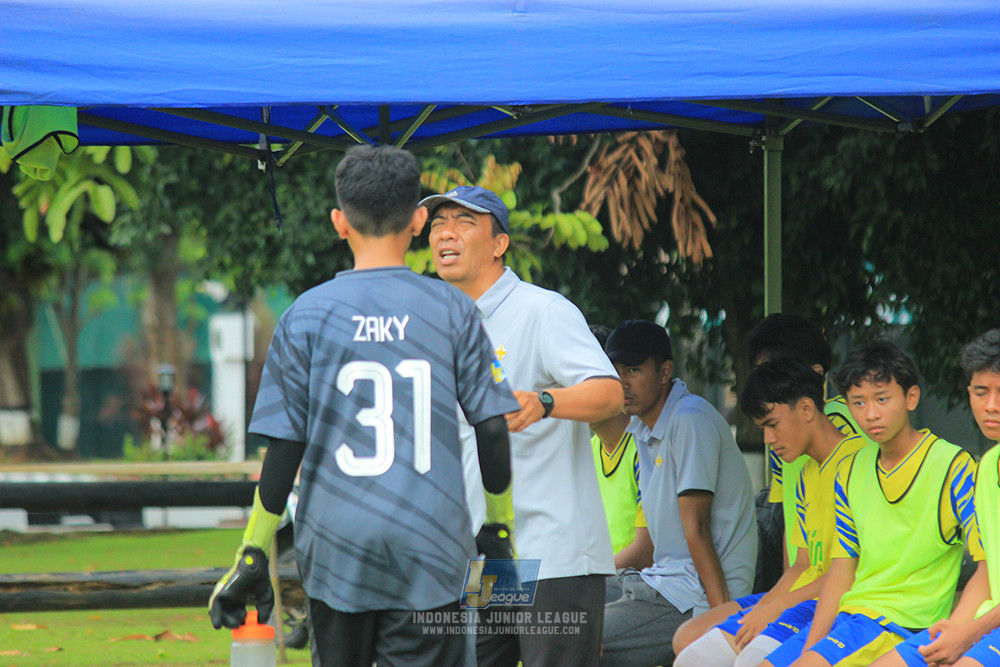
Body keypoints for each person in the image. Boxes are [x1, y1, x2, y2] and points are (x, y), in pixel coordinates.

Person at [207, 146, 521, 667]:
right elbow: (491, 428)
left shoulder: (305, 316)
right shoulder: (453, 311)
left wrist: (254, 550)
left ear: (338, 222)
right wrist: (499, 529)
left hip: (336, 548)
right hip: (431, 544)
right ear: (420, 220)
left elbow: (284, 448)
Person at [422, 185, 624, 667]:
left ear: (499, 243)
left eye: (464, 222)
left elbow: (611, 393)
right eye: (437, 223)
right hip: (488, 556)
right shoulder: (442, 322)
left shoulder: (542, 310)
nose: (446, 233)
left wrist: (545, 401)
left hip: (552, 552)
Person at [760, 340, 981, 667]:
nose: (871, 414)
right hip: (851, 617)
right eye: (858, 402)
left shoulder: (953, 464)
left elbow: (988, 562)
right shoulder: (851, 468)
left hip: (903, 624)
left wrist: (958, 629)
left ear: (911, 397)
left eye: (882, 399)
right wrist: (812, 646)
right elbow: (842, 566)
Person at [674, 314, 873, 655]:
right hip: (802, 591)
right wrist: (769, 605)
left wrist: (776, 610)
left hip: (840, 599)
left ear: (809, 393)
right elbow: (798, 557)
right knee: (690, 645)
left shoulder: (856, 449)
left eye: (777, 370)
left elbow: (847, 570)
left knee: (747, 654)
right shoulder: (803, 462)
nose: (767, 439)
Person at [600, 319, 757, 667]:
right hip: (659, 582)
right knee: (554, 609)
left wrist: (721, 622)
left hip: (692, 596)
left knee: (576, 639)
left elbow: (696, 530)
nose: (622, 381)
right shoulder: (643, 427)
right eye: (615, 370)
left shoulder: (689, 419)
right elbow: (655, 546)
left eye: (634, 369)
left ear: (665, 371)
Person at [870, 329, 1000, 667]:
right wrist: (955, 629)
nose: (991, 406)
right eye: (981, 391)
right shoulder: (986, 468)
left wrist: (968, 634)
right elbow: (987, 571)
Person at [590, 324, 644, 556]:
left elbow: (645, 551)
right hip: (591, 580)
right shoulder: (585, 451)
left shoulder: (645, 448)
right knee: (481, 590)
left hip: (627, 583)